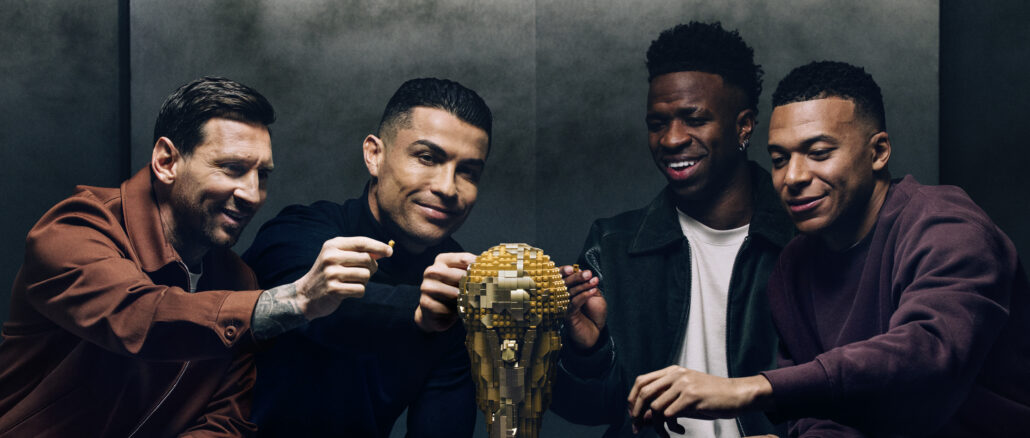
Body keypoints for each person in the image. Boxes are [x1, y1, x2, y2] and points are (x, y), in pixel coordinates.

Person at [627, 61, 1030, 436]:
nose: (793, 177)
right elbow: (824, 413)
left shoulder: (947, 227)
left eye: (818, 153)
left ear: (878, 152)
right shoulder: (794, 267)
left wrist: (751, 388)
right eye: (779, 159)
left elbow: (928, 354)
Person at [0, 77, 392, 437]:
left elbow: (225, 420)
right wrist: (297, 298)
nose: (253, 194)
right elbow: (139, 316)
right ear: (166, 162)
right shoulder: (74, 230)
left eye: (262, 175)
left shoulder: (239, 281)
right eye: (232, 168)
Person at [551, 22, 793, 437]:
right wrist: (587, 349)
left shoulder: (802, 239)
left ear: (744, 126)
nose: (671, 139)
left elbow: (843, 388)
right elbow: (590, 409)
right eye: (657, 123)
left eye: (693, 119)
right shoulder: (613, 247)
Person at [242, 77, 491, 437]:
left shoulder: (460, 288)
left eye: (468, 172)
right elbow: (323, 307)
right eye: (427, 158)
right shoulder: (295, 234)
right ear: (375, 155)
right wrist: (421, 313)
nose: (447, 187)